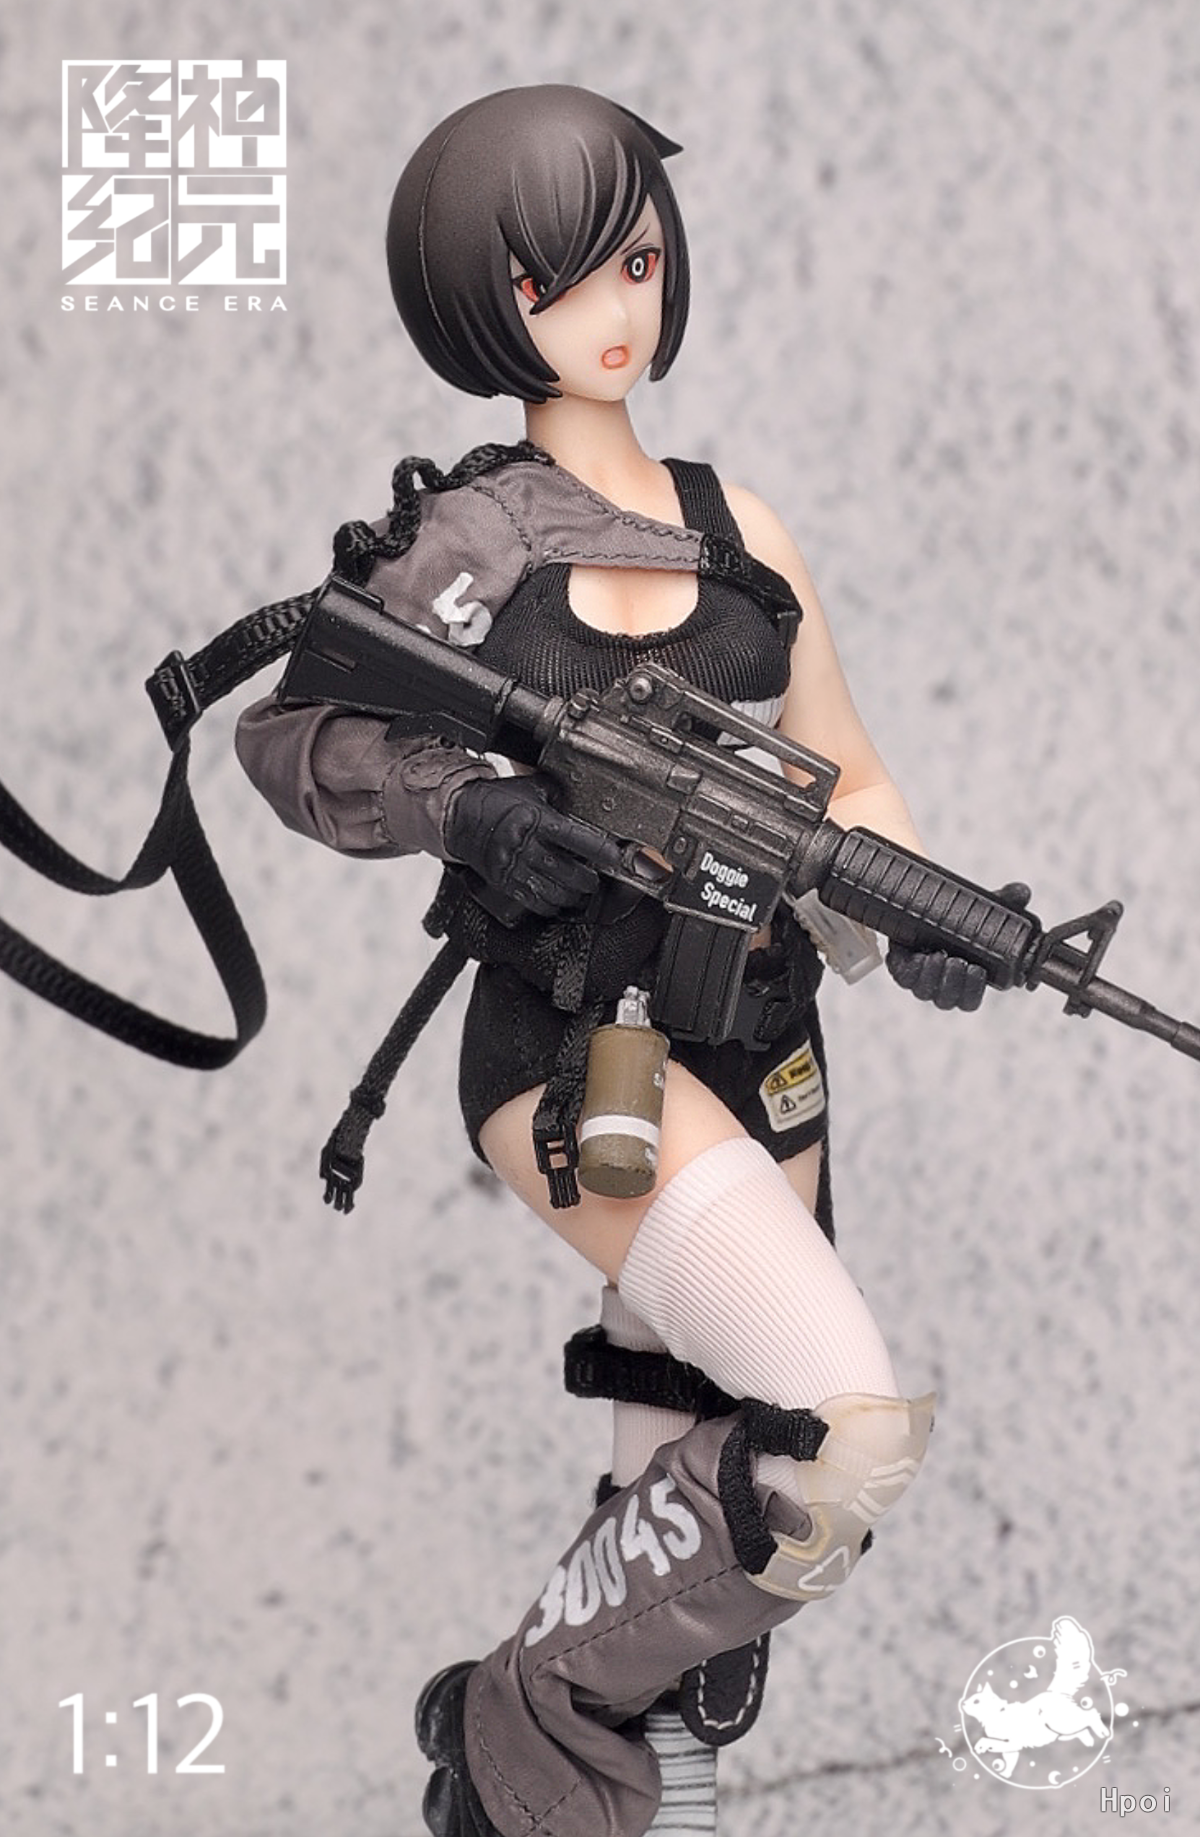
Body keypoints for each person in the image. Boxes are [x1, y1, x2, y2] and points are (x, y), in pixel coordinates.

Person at [237, 84, 970, 1837]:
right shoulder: (472, 545)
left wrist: (927, 909)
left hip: (764, 1040)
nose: (611, 311)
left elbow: (850, 774)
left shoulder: (742, 532)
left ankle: (590, 1792)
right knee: (838, 1431)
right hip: (583, 1056)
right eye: (554, 281)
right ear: (482, 305)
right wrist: (471, 810)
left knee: (685, 1539)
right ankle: (519, 1714)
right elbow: (293, 737)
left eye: (635, 260)